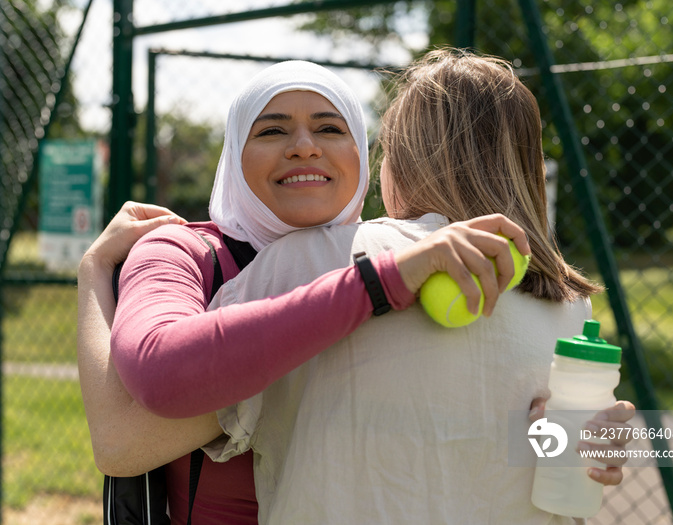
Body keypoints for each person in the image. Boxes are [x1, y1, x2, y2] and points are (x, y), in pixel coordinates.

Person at [79, 60, 536, 524]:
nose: (303, 147)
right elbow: (129, 426)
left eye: (331, 128)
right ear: (234, 153)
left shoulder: (418, 259)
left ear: (363, 153)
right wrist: (93, 270)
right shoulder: (184, 251)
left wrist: (586, 442)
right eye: (272, 131)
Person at [202, 49, 635, 524]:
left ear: (402, 163)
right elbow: (554, 463)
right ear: (528, 167)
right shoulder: (569, 309)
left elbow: (188, 389)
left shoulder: (313, 256)